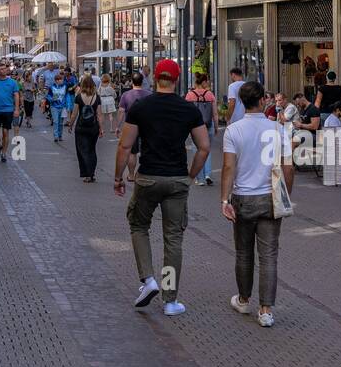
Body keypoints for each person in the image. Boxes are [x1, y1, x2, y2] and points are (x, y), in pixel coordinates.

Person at [115, 59, 210, 315]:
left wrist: (118, 177)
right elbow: (204, 148)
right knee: (173, 239)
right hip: (177, 178)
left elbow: (125, 146)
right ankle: (170, 300)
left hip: (147, 177)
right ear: (177, 79)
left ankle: (148, 280)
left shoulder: (141, 107)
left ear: (156, 78)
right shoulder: (188, 109)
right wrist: (190, 175)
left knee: (138, 225)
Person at [221, 80, 294, 328]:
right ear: (263, 100)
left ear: (241, 102)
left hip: (243, 197)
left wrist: (224, 199)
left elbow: (229, 167)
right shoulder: (278, 129)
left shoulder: (233, 131)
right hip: (270, 198)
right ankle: (265, 310)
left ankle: (243, 299)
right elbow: (288, 166)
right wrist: (286, 195)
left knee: (243, 252)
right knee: (269, 255)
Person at [68, 74, 104, 181]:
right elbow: (99, 114)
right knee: (92, 150)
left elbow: (74, 113)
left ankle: (87, 174)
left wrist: (70, 124)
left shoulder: (78, 97)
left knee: (82, 150)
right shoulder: (97, 97)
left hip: (81, 127)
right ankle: (91, 173)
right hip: (93, 128)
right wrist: (101, 128)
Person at [185, 73, 218, 184]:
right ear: (203, 82)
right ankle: (208, 174)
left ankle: (200, 179)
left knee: (197, 150)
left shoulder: (190, 95)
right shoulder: (210, 94)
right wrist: (216, 127)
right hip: (209, 125)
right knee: (207, 150)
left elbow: (187, 113)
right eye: (207, 81)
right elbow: (215, 113)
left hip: (195, 126)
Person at [47, 69, 70, 143]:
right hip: (54, 106)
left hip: (62, 107)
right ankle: (56, 136)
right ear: (56, 80)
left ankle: (60, 135)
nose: (61, 81)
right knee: (56, 121)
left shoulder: (65, 87)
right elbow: (49, 96)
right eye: (60, 80)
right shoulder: (52, 87)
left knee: (61, 122)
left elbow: (67, 96)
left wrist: (67, 105)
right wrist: (52, 99)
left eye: (62, 79)